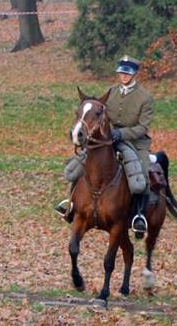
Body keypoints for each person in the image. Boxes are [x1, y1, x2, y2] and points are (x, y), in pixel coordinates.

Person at [55, 55, 154, 235]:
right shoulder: (111, 92)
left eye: (127, 73)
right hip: (107, 139)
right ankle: (71, 204)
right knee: (81, 164)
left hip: (134, 142)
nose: (124, 76)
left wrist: (120, 133)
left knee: (142, 172)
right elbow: (99, 115)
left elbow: (142, 127)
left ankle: (139, 216)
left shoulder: (145, 97)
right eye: (121, 73)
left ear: (134, 74)